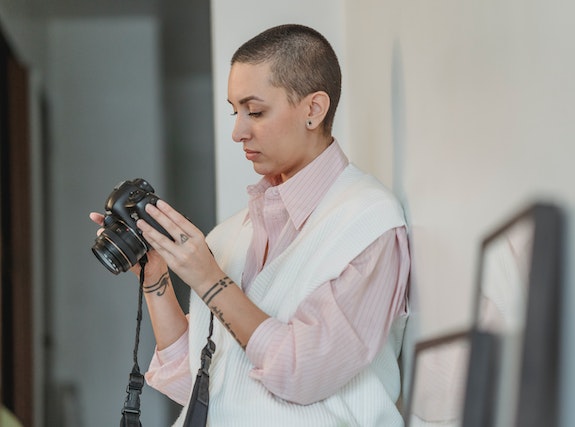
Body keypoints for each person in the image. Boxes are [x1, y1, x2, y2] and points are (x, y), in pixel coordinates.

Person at [91, 23, 410, 426]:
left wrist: (208, 279)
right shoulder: (228, 236)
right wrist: (155, 280)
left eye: (255, 111)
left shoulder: (368, 224)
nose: (238, 132)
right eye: (235, 111)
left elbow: (303, 373)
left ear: (314, 109)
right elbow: (197, 382)